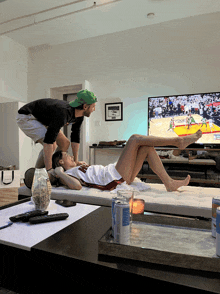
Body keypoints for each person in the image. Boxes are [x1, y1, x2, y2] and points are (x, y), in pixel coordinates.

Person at [52, 130, 202, 192]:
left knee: (146, 148)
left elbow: (84, 171)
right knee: (135, 139)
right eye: (66, 155)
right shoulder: (67, 175)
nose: (70, 155)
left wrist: (79, 163)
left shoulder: (76, 167)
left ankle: (168, 182)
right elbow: (77, 187)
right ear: (60, 162)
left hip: (115, 174)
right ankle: (178, 142)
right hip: (113, 178)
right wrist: (60, 173)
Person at [16, 89, 97, 183]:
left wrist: (76, 161)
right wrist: (49, 169)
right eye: (93, 106)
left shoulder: (79, 115)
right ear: (85, 106)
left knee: (65, 143)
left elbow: (75, 136)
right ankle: (37, 175)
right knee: (52, 144)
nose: (94, 109)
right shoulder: (62, 113)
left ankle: (56, 168)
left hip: (43, 119)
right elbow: (48, 141)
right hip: (27, 117)